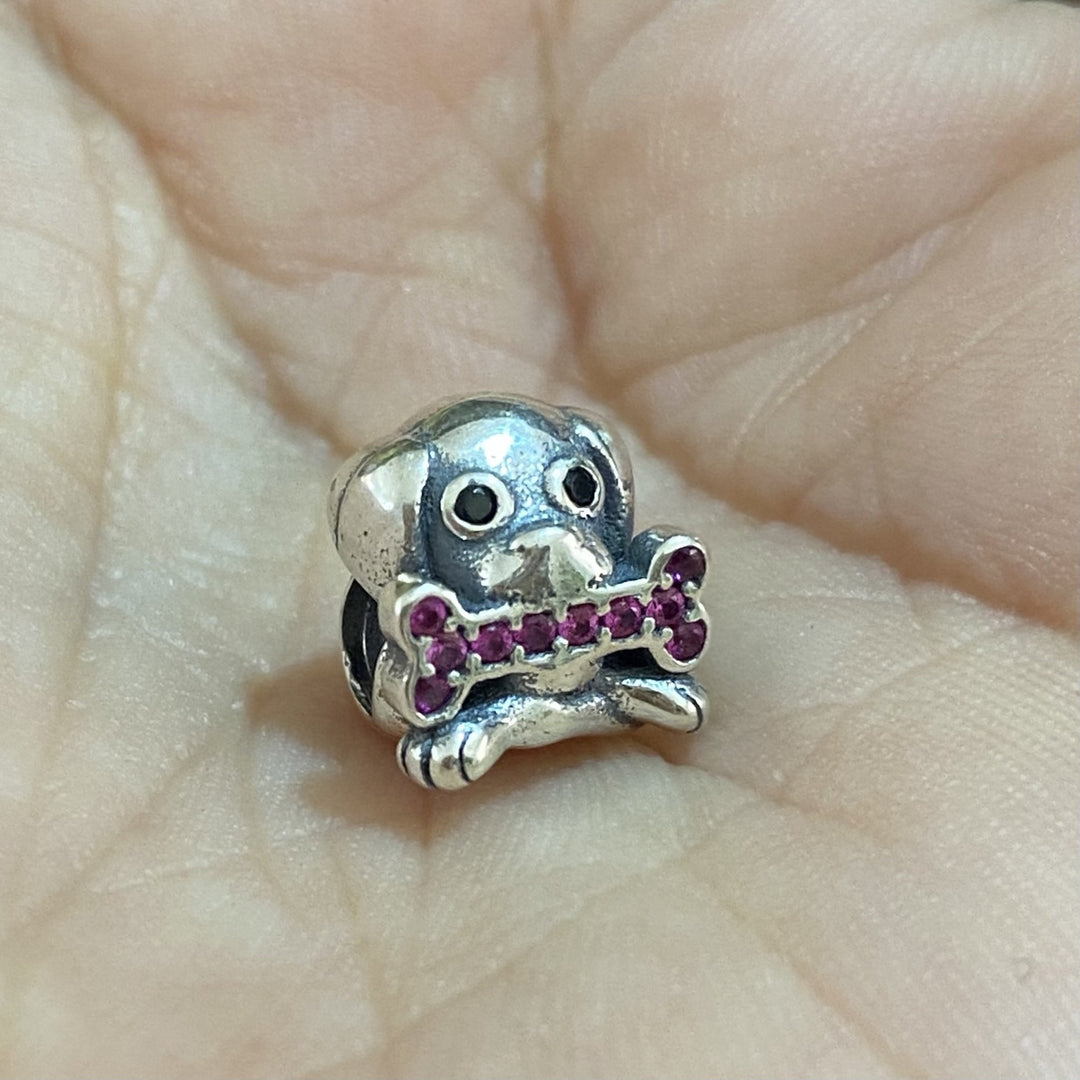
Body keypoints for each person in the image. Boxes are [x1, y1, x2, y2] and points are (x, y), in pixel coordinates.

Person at [0, 1, 1076, 1075]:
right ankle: (548, 713)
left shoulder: (598, 544)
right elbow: (405, 678)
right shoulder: (406, 592)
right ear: (403, 526)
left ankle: (574, 708)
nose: (548, 525)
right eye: (480, 508)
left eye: (573, 490)